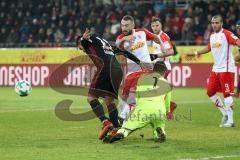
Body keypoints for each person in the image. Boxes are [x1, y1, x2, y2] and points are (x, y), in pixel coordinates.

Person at [76, 29, 143, 140]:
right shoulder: (105, 43)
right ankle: (116, 128)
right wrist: (139, 61)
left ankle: (105, 122)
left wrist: (83, 39)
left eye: (80, 48)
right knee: (109, 101)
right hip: (117, 70)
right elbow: (123, 52)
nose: (82, 50)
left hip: (105, 68)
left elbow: (84, 41)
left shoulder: (87, 40)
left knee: (91, 97)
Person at [187, 15, 240, 128]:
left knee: (227, 94)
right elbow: (208, 48)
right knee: (210, 92)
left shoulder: (227, 34)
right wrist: (196, 53)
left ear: (221, 23)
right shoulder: (212, 35)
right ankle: (225, 113)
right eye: (213, 23)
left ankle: (230, 121)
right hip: (216, 68)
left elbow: (237, 41)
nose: (214, 25)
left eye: (216, 23)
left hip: (226, 69)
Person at [103, 61, 172, 143]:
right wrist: (167, 111)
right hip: (160, 111)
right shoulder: (167, 84)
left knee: (128, 127)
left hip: (144, 109)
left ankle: (122, 133)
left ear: (153, 69)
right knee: (158, 124)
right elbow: (167, 102)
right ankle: (160, 133)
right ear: (164, 72)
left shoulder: (142, 79)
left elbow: (138, 98)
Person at [115, 15, 163, 125]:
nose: (124, 28)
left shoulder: (142, 32)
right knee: (125, 95)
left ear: (133, 25)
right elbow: (116, 46)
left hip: (146, 68)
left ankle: (123, 117)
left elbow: (156, 38)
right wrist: (124, 39)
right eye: (122, 25)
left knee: (134, 94)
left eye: (126, 25)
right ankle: (123, 115)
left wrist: (162, 47)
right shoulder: (121, 37)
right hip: (131, 70)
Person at [150, 17, 177, 120]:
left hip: (163, 66)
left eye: (157, 25)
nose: (155, 27)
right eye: (153, 26)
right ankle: (169, 107)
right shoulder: (154, 36)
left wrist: (156, 56)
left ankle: (167, 110)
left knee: (156, 90)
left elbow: (171, 52)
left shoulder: (163, 37)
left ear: (161, 26)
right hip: (158, 66)